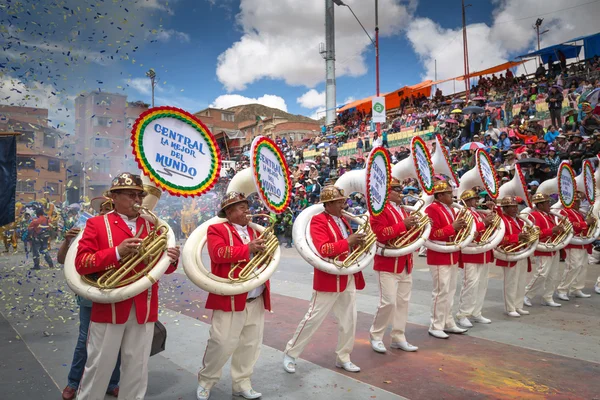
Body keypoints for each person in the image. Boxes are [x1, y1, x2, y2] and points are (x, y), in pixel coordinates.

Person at [75, 173, 180, 400]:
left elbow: (163, 268)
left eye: (140, 195)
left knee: (137, 370)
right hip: (109, 307)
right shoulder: (96, 224)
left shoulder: (153, 226)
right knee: (98, 368)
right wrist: (117, 252)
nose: (138, 200)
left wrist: (170, 258)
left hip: (144, 306)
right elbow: (81, 263)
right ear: (114, 197)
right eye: (131, 195)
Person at [283, 186, 366, 374]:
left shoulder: (343, 219)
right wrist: (349, 241)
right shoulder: (318, 220)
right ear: (327, 204)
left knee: (349, 320)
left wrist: (358, 244)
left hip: (348, 274)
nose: (343, 205)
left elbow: (346, 246)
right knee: (313, 318)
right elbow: (324, 249)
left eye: (342, 201)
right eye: (338, 202)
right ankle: (290, 353)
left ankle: (343, 356)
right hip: (329, 278)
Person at [196, 192, 271, 400]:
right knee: (220, 343)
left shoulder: (257, 231)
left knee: (250, 344)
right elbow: (217, 254)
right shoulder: (216, 229)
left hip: (256, 297)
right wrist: (247, 249)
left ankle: (242, 383)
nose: (246, 209)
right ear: (229, 213)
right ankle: (206, 380)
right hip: (229, 297)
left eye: (246, 205)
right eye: (240, 207)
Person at [60, 197, 120, 400]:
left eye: (112, 208)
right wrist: (68, 241)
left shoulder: (121, 230)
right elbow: (62, 260)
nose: (108, 212)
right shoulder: (88, 228)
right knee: (84, 341)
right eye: (105, 209)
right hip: (89, 296)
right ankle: (73, 383)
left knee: (116, 340)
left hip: (115, 293)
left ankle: (112, 382)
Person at [368, 178, 419, 353]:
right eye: (396, 189)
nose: (401, 191)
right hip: (388, 263)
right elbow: (380, 234)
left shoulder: (403, 211)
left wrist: (419, 230)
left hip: (405, 262)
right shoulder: (378, 210)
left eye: (400, 188)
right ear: (387, 192)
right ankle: (376, 335)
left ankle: (398, 336)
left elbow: (408, 236)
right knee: (388, 302)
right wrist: (403, 225)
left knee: (403, 302)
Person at [424, 181, 468, 339]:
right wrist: (453, 227)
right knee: (440, 291)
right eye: (449, 193)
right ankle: (435, 325)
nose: (452, 195)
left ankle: (448, 322)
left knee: (450, 291)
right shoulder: (430, 209)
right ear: (440, 195)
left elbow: (453, 230)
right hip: (439, 254)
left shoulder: (451, 209)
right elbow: (431, 234)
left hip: (452, 253)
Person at [456, 191, 496, 328]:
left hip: (482, 252)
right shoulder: (463, 213)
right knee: (470, 284)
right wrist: (484, 222)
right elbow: (466, 233)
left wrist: (491, 214)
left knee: (481, 284)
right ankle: (463, 314)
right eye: (473, 199)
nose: (476, 201)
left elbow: (487, 229)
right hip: (470, 253)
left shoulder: (477, 213)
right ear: (467, 200)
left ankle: (476, 312)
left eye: (476, 199)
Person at [524, 193, 564, 308]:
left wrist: (560, 230)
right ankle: (526, 294)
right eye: (547, 203)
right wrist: (552, 230)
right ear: (540, 205)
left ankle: (547, 297)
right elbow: (534, 234)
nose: (549, 205)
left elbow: (554, 231)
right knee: (542, 273)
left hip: (553, 248)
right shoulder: (533, 216)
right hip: (543, 248)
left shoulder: (550, 216)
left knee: (553, 274)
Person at [497, 196, 531, 317]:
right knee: (511, 282)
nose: (515, 209)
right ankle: (510, 308)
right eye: (511, 207)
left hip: (522, 253)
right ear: (505, 208)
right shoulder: (501, 220)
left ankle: (518, 305)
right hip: (510, 254)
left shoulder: (520, 220)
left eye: (515, 206)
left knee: (521, 281)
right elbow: (499, 240)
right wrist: (518, 237)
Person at [556, 192, 593, 300]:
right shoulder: (564, 212)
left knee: (582, 267)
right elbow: (570, 225)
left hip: (582, 243)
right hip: (573, 244)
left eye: (578, 201)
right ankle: (562, 289)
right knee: (572, 267)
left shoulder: (579, 213)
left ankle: (576, 288)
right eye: (576, 201)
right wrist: (586, 223)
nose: (578, 203)